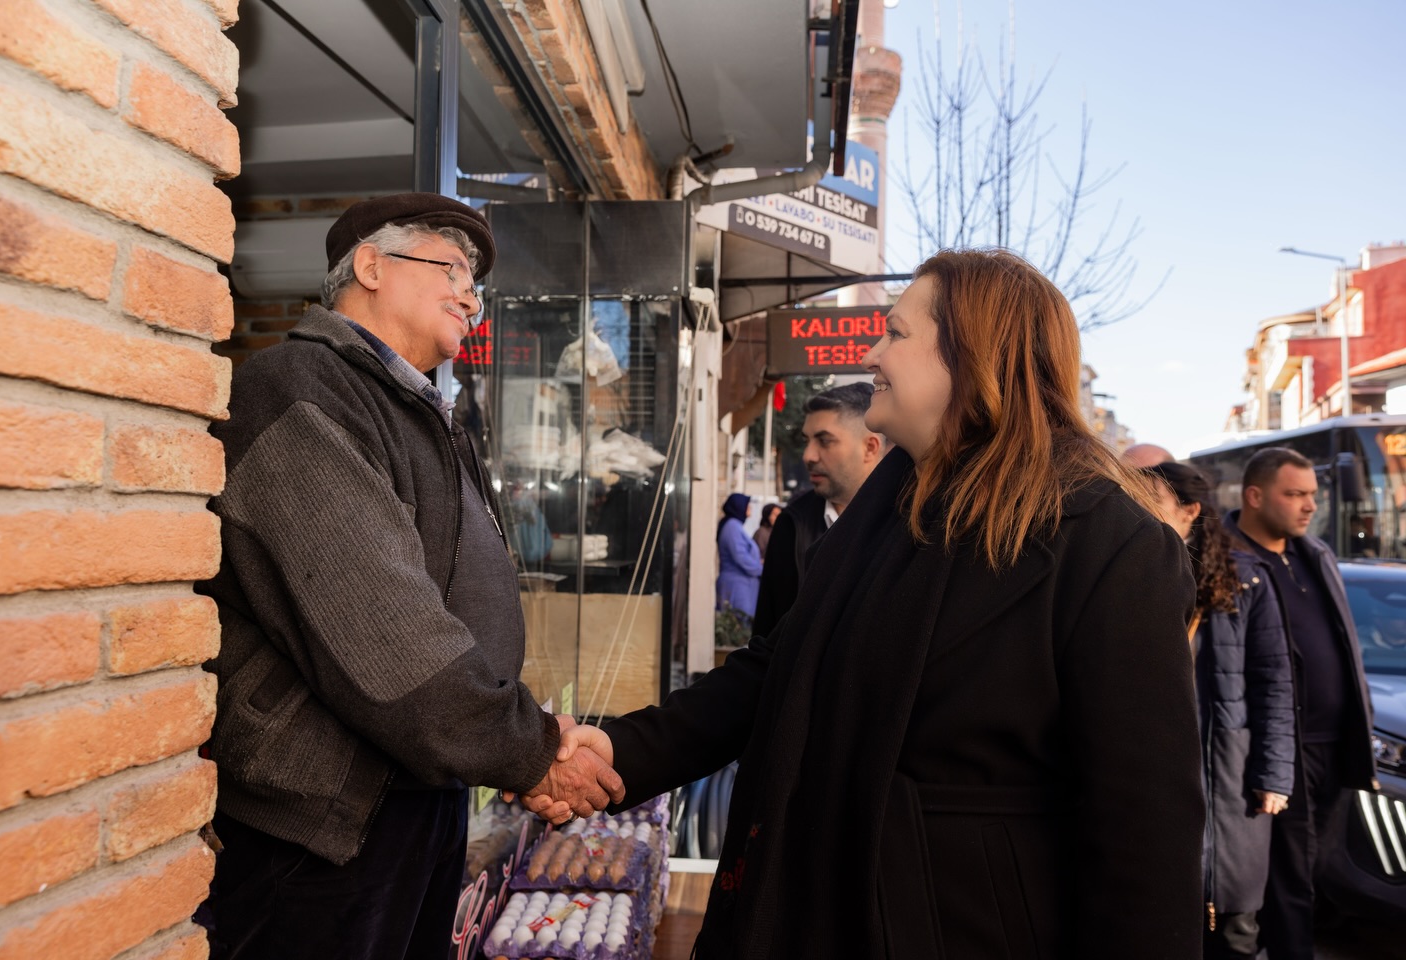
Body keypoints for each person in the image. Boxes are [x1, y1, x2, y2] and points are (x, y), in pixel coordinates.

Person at [531, 249, 1206, 958]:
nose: (872, 353)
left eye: (897, 333)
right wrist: (621, 749)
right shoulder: (887, 504)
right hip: (802, 916)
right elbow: (777, 671)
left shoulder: (1109, 542)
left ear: (974, 356)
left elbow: (1146, 832)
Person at [197, 193, 622, 960]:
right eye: (452, 268)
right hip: (326, 822)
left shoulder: (418, 408)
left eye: (475, 284)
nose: (470, 296)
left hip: (419, 792)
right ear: (370, 266)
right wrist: (532, 752)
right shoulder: (301, 385)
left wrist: (516, 741)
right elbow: (385, 632)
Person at [1223, 447, 1379, 960]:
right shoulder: (1226, 561)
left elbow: (1346, 644)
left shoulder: (1316, 554)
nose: (1310, 505)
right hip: (1275, 749)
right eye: (1294, 494)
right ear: (1254, 496)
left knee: (1310, 871)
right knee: (1289, 880)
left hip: (1334, 744)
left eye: (1312, 494)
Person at [1145, 462, 1295, 959]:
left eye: (1151, 502)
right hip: (1164, 772)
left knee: (1234, 921)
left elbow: (1275, 682)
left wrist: (1275, 775)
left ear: (1189, 511)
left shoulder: (1246, 579)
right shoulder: (1134, 572)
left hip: (1233, 776)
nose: (1137, 511)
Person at [753, 382, 886, 638]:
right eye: (807, 441)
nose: (808, 456)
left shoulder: (911, 524)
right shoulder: (791, 525)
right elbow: (768, 636)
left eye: (824, 441)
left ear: (870, 447)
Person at [716, 493, 762, 620]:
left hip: (741, 585)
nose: (750, 508)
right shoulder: (732, 527)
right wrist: (761, 569)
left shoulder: (735, 525)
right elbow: (741, 557)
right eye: (747, 505)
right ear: (739, 506)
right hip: (737, 586)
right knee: (739, 623)